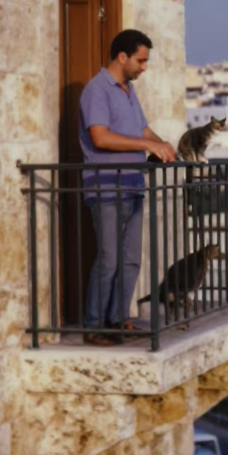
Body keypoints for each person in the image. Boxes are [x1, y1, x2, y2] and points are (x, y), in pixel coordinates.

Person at [79, 29, 176, 345]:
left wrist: (162, 145)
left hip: (133, 184)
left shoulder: (129, 90)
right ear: (123, 57)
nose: (144, 67)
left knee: (132, 258)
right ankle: (94, 326)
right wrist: (146, 146)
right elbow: (101, 137)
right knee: (109, 259)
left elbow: (142, 128)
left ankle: (119, 319)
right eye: (141, 60)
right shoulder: (97, 90)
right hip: (106, 188)